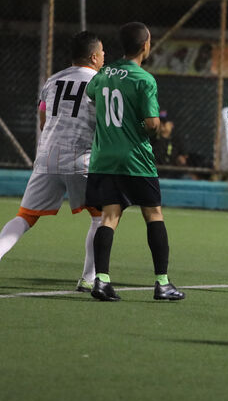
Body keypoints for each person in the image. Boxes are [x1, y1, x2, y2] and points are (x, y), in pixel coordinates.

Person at [85, 21, 185, 302]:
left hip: (104, 158)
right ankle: (162, 283)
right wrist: (145, 128)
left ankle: (102, 281)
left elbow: (91, 95)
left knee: (109, 217)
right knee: (153, 214)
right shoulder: (144, 79)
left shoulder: (104, 72)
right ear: (146, 45)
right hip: (135, 159)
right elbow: (153, 124)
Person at [0, 31, 105, 291]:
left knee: (25, 216)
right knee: (102, 217)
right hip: (82, 158)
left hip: (47, 156)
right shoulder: (101, 82)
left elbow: (43, 120)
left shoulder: (53, 80)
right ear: (94, 56)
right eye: (103, 53)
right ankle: (89, 278)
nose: (104, 57)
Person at [151, 110, 188, 177]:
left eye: (164, 122)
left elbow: (183, 159)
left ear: (171, 125)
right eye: (160, 122)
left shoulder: (176, 140)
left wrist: (180, 160)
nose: (162, 125)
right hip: (156, 172)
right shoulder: (153, 139)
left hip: (173, 173)